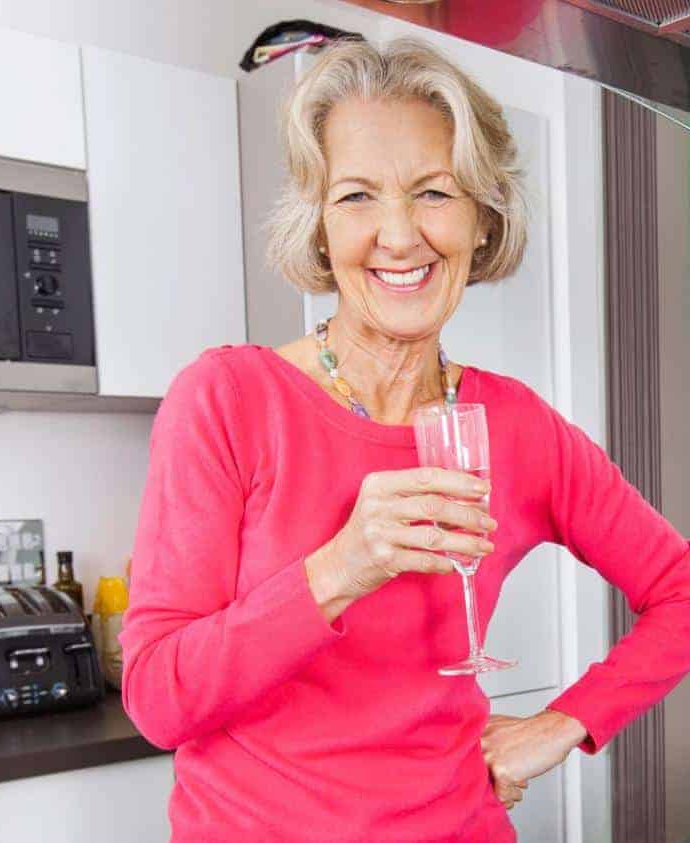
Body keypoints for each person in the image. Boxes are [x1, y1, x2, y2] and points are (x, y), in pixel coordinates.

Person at [119, 36, 690, 841]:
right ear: (317, 227)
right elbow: (156, 698)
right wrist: (342, 567)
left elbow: (682, 591)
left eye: (434, 192)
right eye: (356, 196)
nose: (398, 235)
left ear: (482, 221)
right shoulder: (226, 399)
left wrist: (562, 725)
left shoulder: (518, 426)